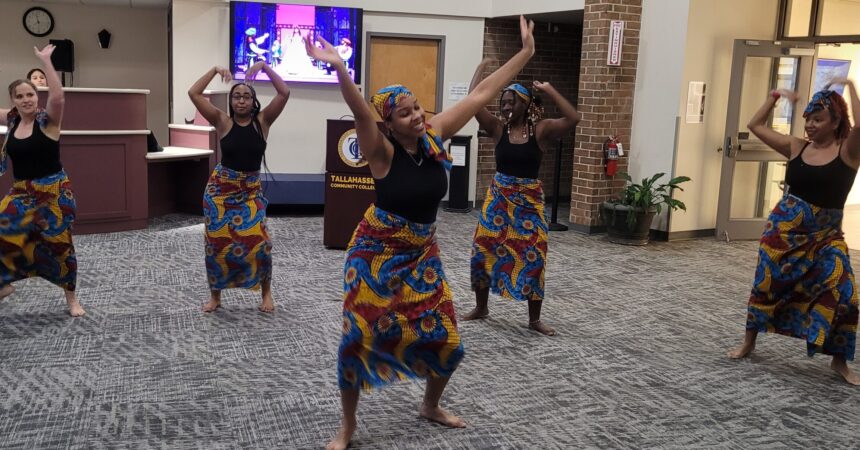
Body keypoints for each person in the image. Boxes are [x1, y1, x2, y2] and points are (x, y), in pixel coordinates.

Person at [305, 15, 535, 450]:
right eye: (405, 112)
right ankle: (348, 425)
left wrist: (524, 54)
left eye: (417, 107)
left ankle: (429, 405)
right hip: (374, 253)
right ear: (388, 123)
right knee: (359, 338)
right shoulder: (380, 151)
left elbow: (483, 93)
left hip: (421, 253)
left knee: (445, 336)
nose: (416, 115)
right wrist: (339, 69)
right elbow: (358, 109)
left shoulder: (436, 135)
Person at [727, 78, 860, 385]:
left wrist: (851, 85)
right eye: (808, 119)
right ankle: (749, 341)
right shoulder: (796, 146)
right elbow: (755, 125)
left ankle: (838, 361)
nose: (810, 125)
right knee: (766, 287)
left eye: (818, 119)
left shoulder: (849, 152)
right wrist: (775, 96)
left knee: (843, 290)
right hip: (783, 233)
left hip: (826, 237)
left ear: (836, 121)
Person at [462, 61, 581, 336]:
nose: (505, 107)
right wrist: (480, 71)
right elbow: (473, 103)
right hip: (498, 201)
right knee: (482, 251)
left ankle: (534, 319)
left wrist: (550, 90)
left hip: (528, 204)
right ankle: (481, 307)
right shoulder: (497, 129)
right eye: (503, 102)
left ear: (526, 104)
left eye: (511, 103)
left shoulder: (541, 130)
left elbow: (573, 118)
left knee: (534, 257)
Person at [188, 60, 289, 313]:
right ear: (231, 101)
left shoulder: (263, 121)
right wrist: (213, 70)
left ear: (253, 101)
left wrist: (265, 67)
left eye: (246, 96)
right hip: (220, 192)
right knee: (216, 245)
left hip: (250, 191)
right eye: (236, 97)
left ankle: (266, 293)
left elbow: (284, 92)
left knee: (261, 243)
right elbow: (194, 93)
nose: (241, 101)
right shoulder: (222, 121)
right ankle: (216, 296)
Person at [0, 45, 84, 317]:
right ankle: (5, 283)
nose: (26, 100)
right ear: (13, 100)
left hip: (53, 192)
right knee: (3, 228)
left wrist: (46, 61)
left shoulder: (48, 122)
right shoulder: (12, 121)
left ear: (37, 96)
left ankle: (71, 299)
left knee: (59, 245)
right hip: (22, 192)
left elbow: (58, 97)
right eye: (20, 96)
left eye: (31, 94)